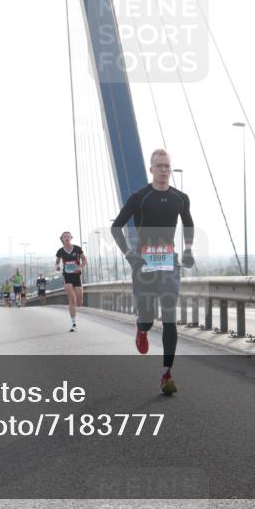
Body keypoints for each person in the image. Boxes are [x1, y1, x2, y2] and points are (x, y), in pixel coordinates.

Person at [111, 149, 195, 396]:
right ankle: (142, 327)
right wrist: (129, 255)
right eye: (159, 166)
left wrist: (188, 250)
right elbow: (116, 227)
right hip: (144, 263)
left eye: (167, 166)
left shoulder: (180, 198)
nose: (163, 170)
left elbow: (188, 223)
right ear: (151, 169)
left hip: (169, 262)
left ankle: (166, 373)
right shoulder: (140, 197)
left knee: (169, 316)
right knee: (148, 317)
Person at [54, 232, 86, 332]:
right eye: (65, 237)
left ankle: (78, 299)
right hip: (67, 276)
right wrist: (57, 267)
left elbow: (84, 260)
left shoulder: (77, 249)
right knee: (72, 300)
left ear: (71, 238)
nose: (67, 238)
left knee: (79, 302)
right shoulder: (60, 251)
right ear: (62, 239)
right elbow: (57, 262)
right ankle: (74, 324)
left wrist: (79, 267)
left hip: (77, 276)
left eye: (68, 236)